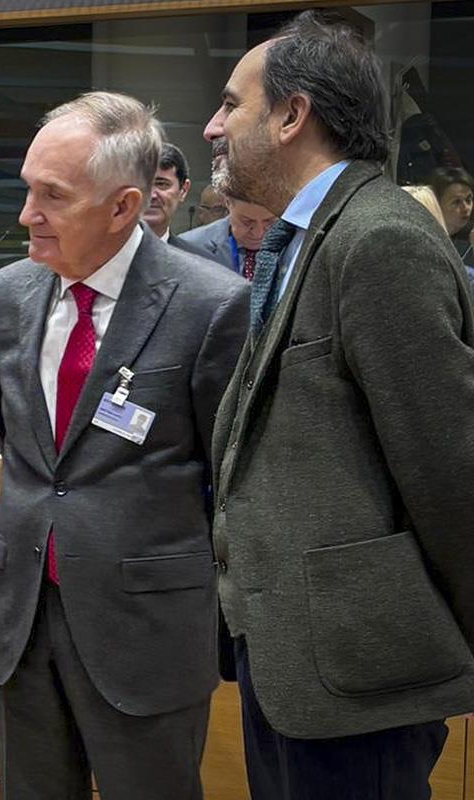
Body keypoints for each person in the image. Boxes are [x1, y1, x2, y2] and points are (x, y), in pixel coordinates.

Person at [206, 11, 474, 799]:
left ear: (292, 116)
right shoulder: (303, 238)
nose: (215, 125)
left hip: (362, 677)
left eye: (233, 104)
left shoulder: (379, 238)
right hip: (296, 661)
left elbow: (451, 470)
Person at [0, 92, 248, 800]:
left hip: (146, 627)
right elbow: (22, 443)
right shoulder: (5, 296)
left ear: (124, 206)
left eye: (53, 196)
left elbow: (231, 479)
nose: (27, 215)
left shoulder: (209, 304)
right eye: (27, 190)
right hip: (25, 616)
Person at [180, 195, 280, 278]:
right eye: (247, 222)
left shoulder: (290, 244)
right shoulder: (187, 248)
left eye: (269, 221)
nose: (258, 233)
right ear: (228, 203)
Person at [142, 142, 191, 243]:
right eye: (142, 184)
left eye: (161, 184)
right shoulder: (107, 251)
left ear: (183, 190)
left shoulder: (193, 254)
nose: (151, 195)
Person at [427, 166, 474, 263]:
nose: (466, 208)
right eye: (457, 202)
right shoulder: (427, 238)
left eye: (468, 200)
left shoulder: (470, 234)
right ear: (436, 202)